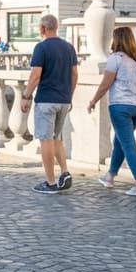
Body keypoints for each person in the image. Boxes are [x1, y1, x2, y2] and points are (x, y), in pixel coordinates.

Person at [86, 27, 136, 196]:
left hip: (120, 107)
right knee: (120, 141)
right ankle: (110, 176)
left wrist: (93, 100)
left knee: (128, 144)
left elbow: (106, 83)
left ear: (116, 40)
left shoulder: (115, 59)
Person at [19, 14, 79, 194]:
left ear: (43, 29)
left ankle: (51, 182)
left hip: (46, 100)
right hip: (63, 100)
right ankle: (65, 172)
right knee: (57, 138)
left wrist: (26, 96)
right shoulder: (69, 48)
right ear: (56, 27)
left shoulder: (41, 47)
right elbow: (74, 75)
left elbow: (36, 75)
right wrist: (70, 95)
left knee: (45, 140)